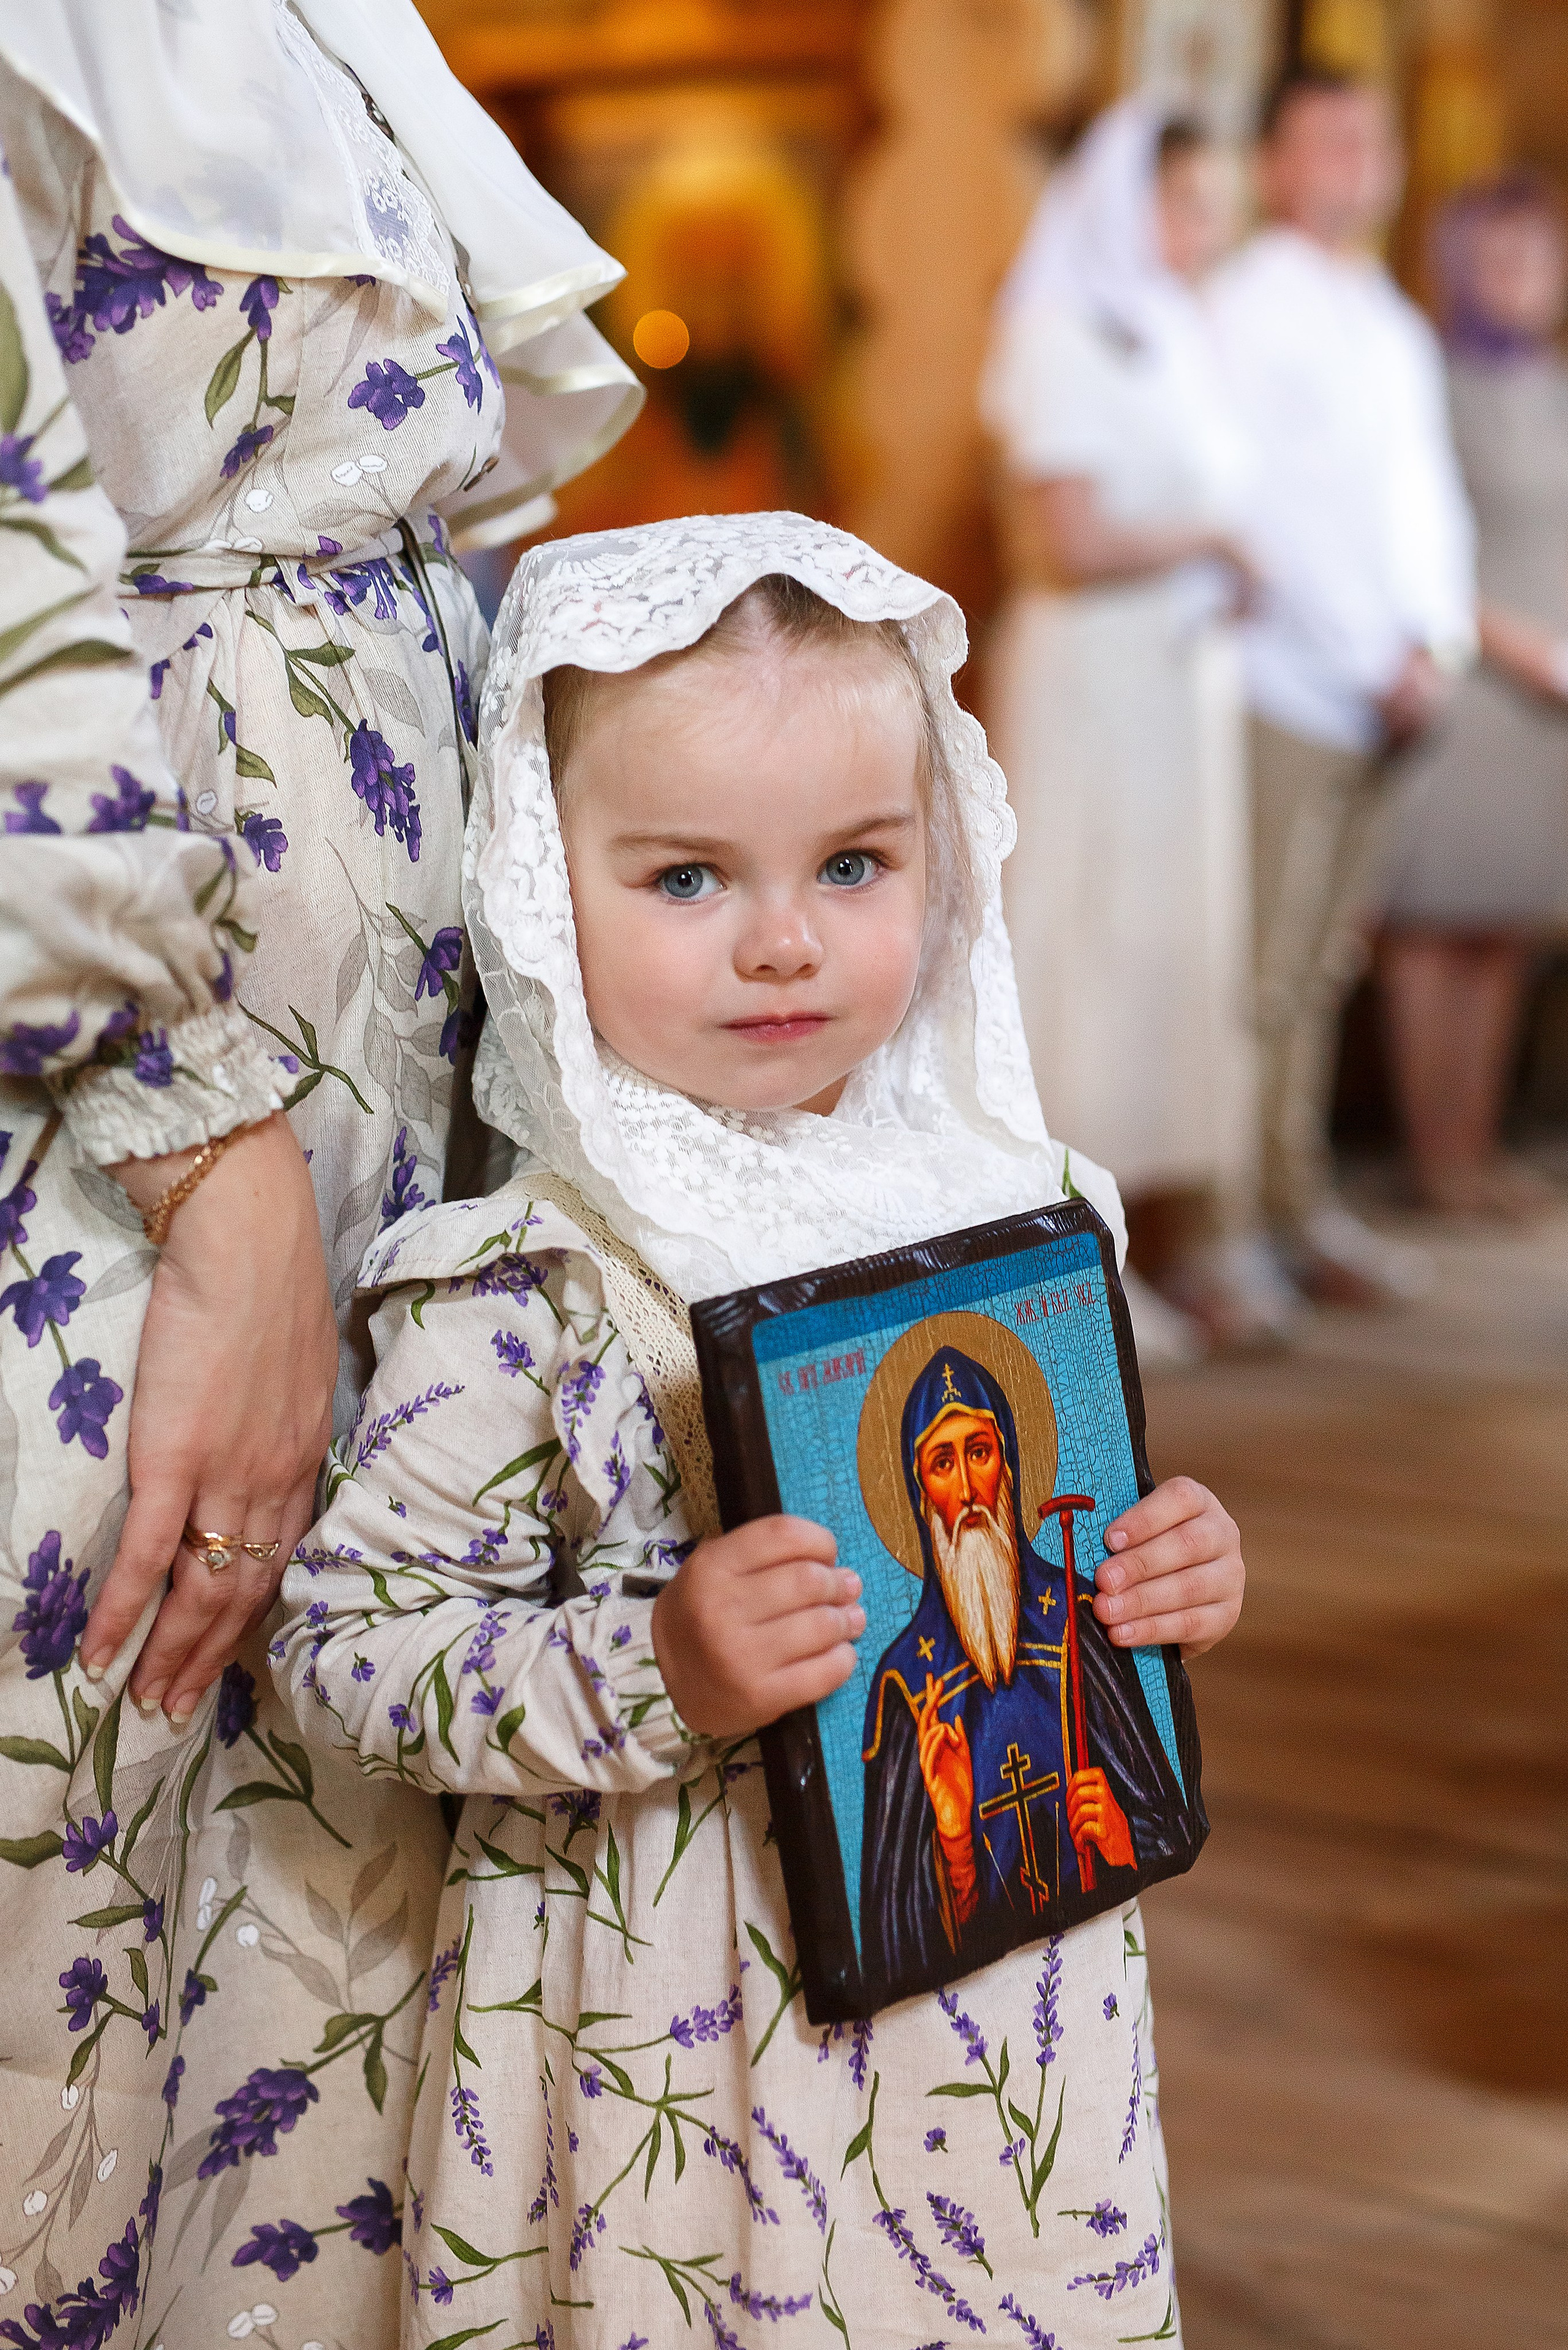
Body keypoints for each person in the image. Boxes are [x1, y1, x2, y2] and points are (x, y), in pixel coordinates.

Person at [271, 512, 1247, 2344]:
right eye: (687, 879)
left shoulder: (1015, 1209)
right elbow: (339, 1654)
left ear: (940, 860)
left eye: (854, 863)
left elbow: (1057, 1562)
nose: (784, 940)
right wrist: (660, 1662)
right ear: (545, 893)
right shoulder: (534, 1285)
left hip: (1005, 2034)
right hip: (692, 2048)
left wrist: (1166, 1575)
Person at [0, 4, 638, 2338]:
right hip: (111, 1066)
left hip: (406, 1044)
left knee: (320, 1864)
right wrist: (213, 1161)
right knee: (93, 1791)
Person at [982, 100, 1294, 1360]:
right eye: (1184, 203)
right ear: (1125, 201)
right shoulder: (1057, 331)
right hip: (1093, 684)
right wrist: (1214, 542)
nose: (1203, 230)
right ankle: (1072, 1260)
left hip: (1175, 694)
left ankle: (1166, 1236)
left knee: (1173, 951)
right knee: (1086, 946)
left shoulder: (1169, 332)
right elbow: (1067, 538)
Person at [1210, 69, 1476, 1303]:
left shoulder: (1385, 310)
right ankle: (1237, 1215)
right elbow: (1263, 509)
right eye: (1325, 139)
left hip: (1391, 686)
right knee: (1258, 968)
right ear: (1273, 163)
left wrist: (1435, 637)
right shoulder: (1248, 305)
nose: (1352, 160)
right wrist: (1373, 655)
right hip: (1292, 680)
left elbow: (1418, 497)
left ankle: (1297, 1196)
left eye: (1368, 137)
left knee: (1321, 966)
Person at [861, 1345, 1186, 1992]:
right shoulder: (905, 1686)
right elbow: (888, 1935)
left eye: (977, 1452)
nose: (965, 1489)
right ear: (917, 1489)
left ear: (1006, 1464)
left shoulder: (1074, 1620)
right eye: (941, 1462)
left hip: (1088, 1974)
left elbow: (1166, 1822)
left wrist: (1125, 1839)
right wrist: (954, 1848)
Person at [1380, 178, 1568, 1218]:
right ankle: (1434, 1155)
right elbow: (1418, 544)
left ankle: (1478, 1147)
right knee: (1436, 922)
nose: (1519, 278)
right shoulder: (1434, 386)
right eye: (1497, 259)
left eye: (1536, 257)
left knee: (1504, 927)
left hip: (1551, 708)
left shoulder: (1559, 385)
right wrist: (1519, 643)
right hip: (1480, 683)